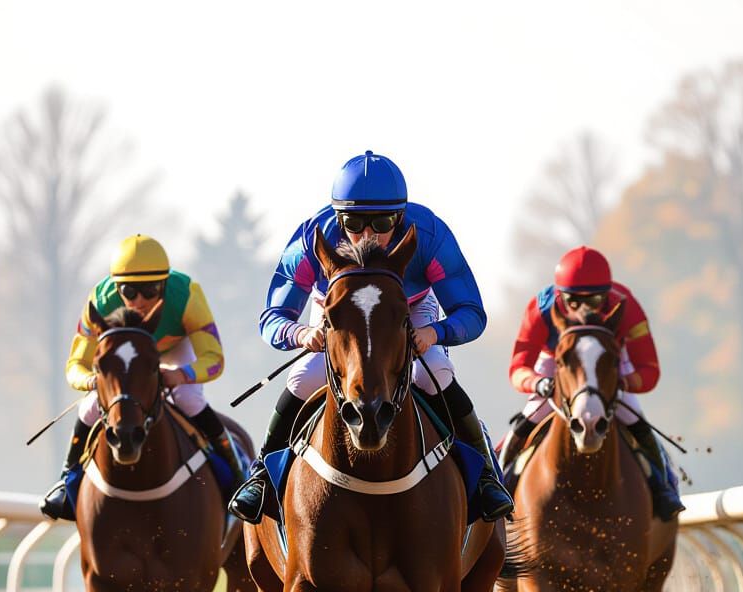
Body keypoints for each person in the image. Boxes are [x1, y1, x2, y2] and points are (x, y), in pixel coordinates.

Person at [229, 150, 513, 523]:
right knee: (304, 378)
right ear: (337, 218)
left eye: (382, 222)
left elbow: (471, 313)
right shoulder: (311, 239)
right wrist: (301, 333)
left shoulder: (429, 236)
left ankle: (486, 477)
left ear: (401, 216)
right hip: (340, 309)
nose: (368, 234)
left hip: (407, 307)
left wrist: (435, 331)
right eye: (354, 222)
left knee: (433, 372)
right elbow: (272, 318)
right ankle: (261, 476)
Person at [40, 234, 245, 520]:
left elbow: (214, 359)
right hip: (125, 361)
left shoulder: (187, 295)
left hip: (175, 350)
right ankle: (66, 480)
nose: (140, 300)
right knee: (89, 407)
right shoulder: (99, 301)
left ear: (164, 284)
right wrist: (92, 381)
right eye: (129, 291)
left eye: (150, 290)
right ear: (117, 288)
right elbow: (76, 363)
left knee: (188, 397)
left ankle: (237, 477)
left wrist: (181, 374)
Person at [502, 245, 684, 521]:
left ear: (607, 294)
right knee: (524, 424)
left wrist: (621, 382)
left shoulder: (627, 305)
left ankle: (663, 489)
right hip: (556, 361)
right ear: (561, 295)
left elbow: (649, 370)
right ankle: (499, 488)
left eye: (595, 300)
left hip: (608, 362)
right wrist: (538, 383)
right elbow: (518, 368)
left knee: (637, 422)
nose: (584, 308)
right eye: (573, 301)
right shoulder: (540, 308)